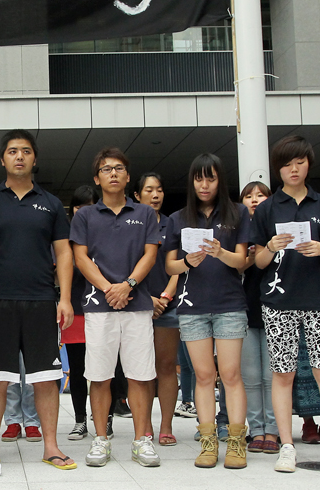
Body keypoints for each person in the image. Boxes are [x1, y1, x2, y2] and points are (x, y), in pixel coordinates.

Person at [250, 135, 320, 475]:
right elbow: (259, 262)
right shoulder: (266, 208)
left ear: (309, 163)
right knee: (283, 374)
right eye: (286, 164)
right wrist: (271, 245)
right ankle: (287, 446)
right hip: (279, 301)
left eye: (300, 162)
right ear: (277, 169)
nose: (294, 169)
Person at [0, 130, 74, 469]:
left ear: (35, 159)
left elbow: (63, 252)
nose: (19, 156)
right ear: (2, 159)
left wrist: (65, 298)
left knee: (46, 376)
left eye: (26, 151)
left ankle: (51, 447)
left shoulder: (50, 203)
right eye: (13, 151)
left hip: (42, 300)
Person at [71, 147, 161, 468]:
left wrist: (129, 285)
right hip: (99, 307)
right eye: (106, 169)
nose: (113, 173)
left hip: (137, 305)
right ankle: (100, 439)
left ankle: (142, 440)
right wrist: (110, 287)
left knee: (140, 375)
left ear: (127, 176)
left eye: (119, 168)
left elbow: (150, 254)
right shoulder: (85, 216)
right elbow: (80, 258)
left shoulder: (145, 214)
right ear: (97, 178)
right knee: (99, 375)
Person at [163, 153, 250, 469]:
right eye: (199, 178)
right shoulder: (178, 218)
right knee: (203, 375)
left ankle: (237, 442)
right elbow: (169, 264)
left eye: (210, 178)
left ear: (220, 180)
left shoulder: (238, 213)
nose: (204, 184)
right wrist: (188, 261)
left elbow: (242, 261)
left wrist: (220, 252)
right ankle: (208, 440)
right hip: (192, 306)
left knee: (230, 374)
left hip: (229, 304)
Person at [134, 172, 179, 448]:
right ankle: (145, 425)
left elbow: (180, 264)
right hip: (137, 302)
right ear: (137, 195)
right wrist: (146, 298)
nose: (155, 195)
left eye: (159, 190)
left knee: (165, 366)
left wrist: (163, 297)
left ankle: (166, 426)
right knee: (142, 368)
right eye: (149, 190)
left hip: (168, 304)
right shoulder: (131, 224)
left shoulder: (172, 224)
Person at [238, 181, 279, 455]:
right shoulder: (238, 231)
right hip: (245, 307)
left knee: (272, 375)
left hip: (277, 305)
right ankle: (255, 429)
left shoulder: (277, 228)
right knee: (250, 376)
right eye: (249, 196)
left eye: (260, 195)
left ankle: (273, 431)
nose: (255, 200)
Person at [63, 185, 96, 441]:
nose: (82, 211)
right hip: (75, 308)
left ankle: (104, 419)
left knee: (104, 367)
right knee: (76, 368)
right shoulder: (65, 238)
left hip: (103, 307)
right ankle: (80, 420)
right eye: (78, 206)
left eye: (88, 206)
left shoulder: (105, 231)